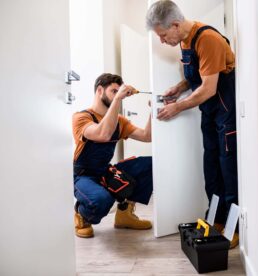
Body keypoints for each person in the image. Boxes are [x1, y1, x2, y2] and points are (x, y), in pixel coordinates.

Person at [146, 0, 239, 248]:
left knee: (228, 169)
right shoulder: (185, 40)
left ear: (175, 24)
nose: (163, 41)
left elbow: (208, 88)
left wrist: (176, 107)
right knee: (211, 167)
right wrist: (178, 89)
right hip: (210, 113)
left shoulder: (207, 39)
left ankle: (234, 227)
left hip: (225, 111)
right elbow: (198, 76)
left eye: (164, 35)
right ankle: (217, 219)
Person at [72, 73, 153, 238]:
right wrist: (118, 99)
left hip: (105, 171)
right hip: (83, 176)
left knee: (150, 164)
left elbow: (146, 136)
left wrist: (154, 110)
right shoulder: (81, 117)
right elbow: (103, 134)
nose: (118, 95)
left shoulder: (119, 121)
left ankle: (125, 214)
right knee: (102, 200)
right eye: (114, 91)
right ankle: (82, 214)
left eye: (119, 92)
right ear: (100, 90)